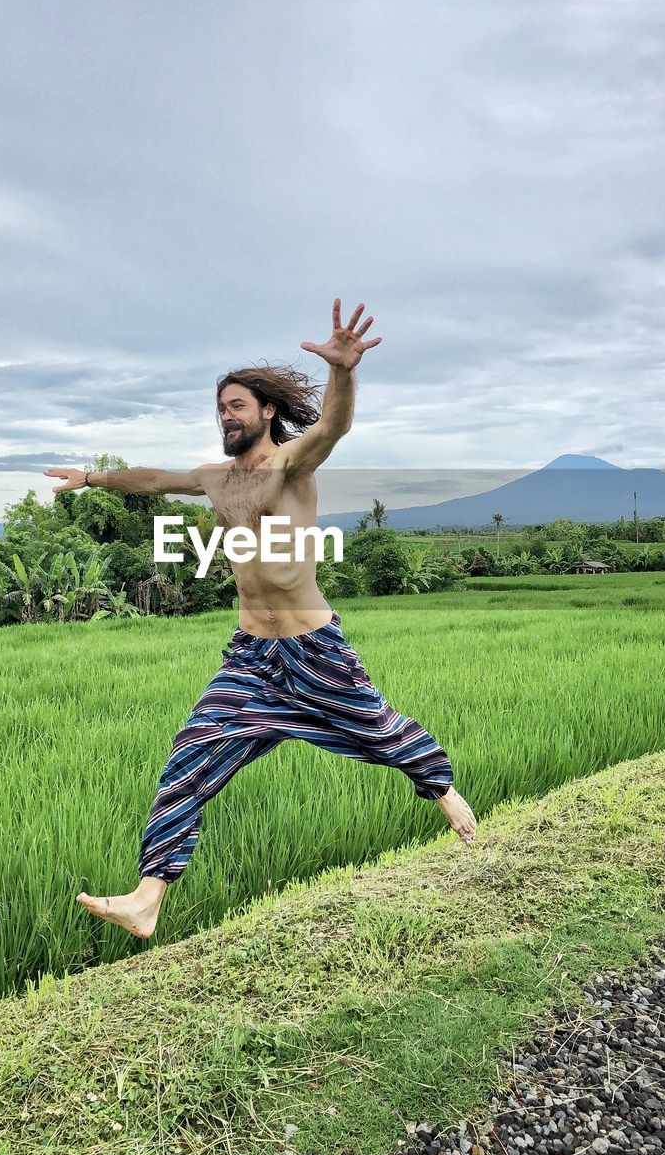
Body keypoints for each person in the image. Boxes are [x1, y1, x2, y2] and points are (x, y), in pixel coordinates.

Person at [45, 298, 478, 939]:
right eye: (220, 408)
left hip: (312, 647)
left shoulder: (289, 464)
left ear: (266, 412)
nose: (226, 416)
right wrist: (90, 476)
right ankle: (147, 897)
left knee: (379, 730)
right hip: (251, 656)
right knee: (190, 757)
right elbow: (152, 480)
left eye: (237, 405)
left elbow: (332, 427)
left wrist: (343, 371)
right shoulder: (217, 479)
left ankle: (449, 799)